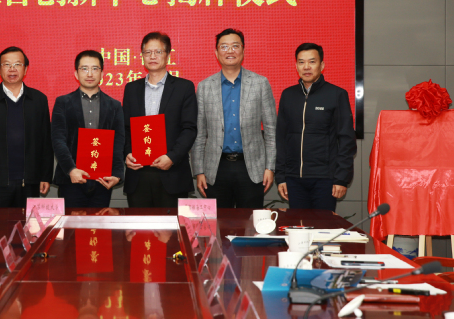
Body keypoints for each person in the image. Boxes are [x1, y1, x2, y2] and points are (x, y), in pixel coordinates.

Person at [191, 29, 277, 208]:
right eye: (224, 47)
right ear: (216, 53)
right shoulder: (205, 87)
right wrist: (199, 171)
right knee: (219, 222)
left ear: (243, 51)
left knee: (251, 221)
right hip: (216, 169)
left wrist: (270, 167)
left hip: (251, 167)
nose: (230, 51)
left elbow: (271, 131)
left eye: (235, 46)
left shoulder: (260, 83)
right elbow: (199, 134)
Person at [275, 43, 357, 211]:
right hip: (293, 178)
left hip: (325, 179)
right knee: (298, 224)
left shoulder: (337, 94)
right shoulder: (288, 95)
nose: (306, 67)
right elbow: (281, 138)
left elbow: (347, 140)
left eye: (312, 61)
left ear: (322, 65)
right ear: (296, 66)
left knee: (323, 225)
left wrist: (341, 178)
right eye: (301, 62)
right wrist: (281, 176)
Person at [0, 46, 53, 207]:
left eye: (17, 64)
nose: (12, 69)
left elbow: (45, 143)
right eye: (6, 64)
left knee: (28, 223)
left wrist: (45, 176)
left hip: (30, 182)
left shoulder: (39, 100)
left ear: (25, 69)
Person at [122, 32, 198, 208]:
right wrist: (127, 153)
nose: (152, 56)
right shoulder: (131, 89)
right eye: (147, 52)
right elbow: (125, 128)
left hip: (172, 173)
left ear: (168, 55)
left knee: (172, 226)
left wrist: (172, 157)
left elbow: (189, 129)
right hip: (138, 174)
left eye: (158, 52)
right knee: (139, 225)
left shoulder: (184, 87)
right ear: (142, 56)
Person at [52, 50, 125, 208]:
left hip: (102, 180)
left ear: (102, 73)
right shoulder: (62, 103)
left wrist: (117, 174)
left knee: (99, 223)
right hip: (71, 180)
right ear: (76, 74)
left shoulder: (114, 106)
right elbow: (58, 140)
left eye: (95, 68)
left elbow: (118, 143)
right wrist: (71, 170)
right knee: (71, 223)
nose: (90, 73)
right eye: (84, 68)